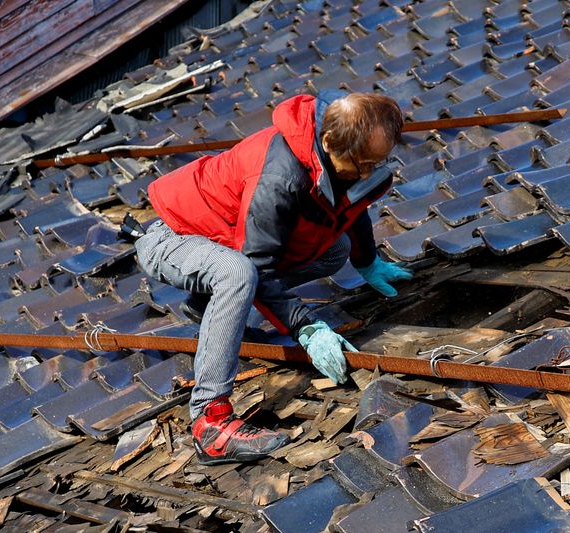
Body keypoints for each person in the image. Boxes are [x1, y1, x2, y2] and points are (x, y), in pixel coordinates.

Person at [135, 91, 411, 465]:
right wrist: (306, 327)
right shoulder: (280, 176)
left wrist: (368, 261)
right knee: (237, 272)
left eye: (374, 163)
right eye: (361, 163)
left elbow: (350, 206)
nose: (366, 173)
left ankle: (211, 305)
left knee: (335, 250)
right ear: (328, 142)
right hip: (175, 236)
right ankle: (210, 423)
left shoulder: (339, 154)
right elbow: (257, 262)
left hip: (228, 240)